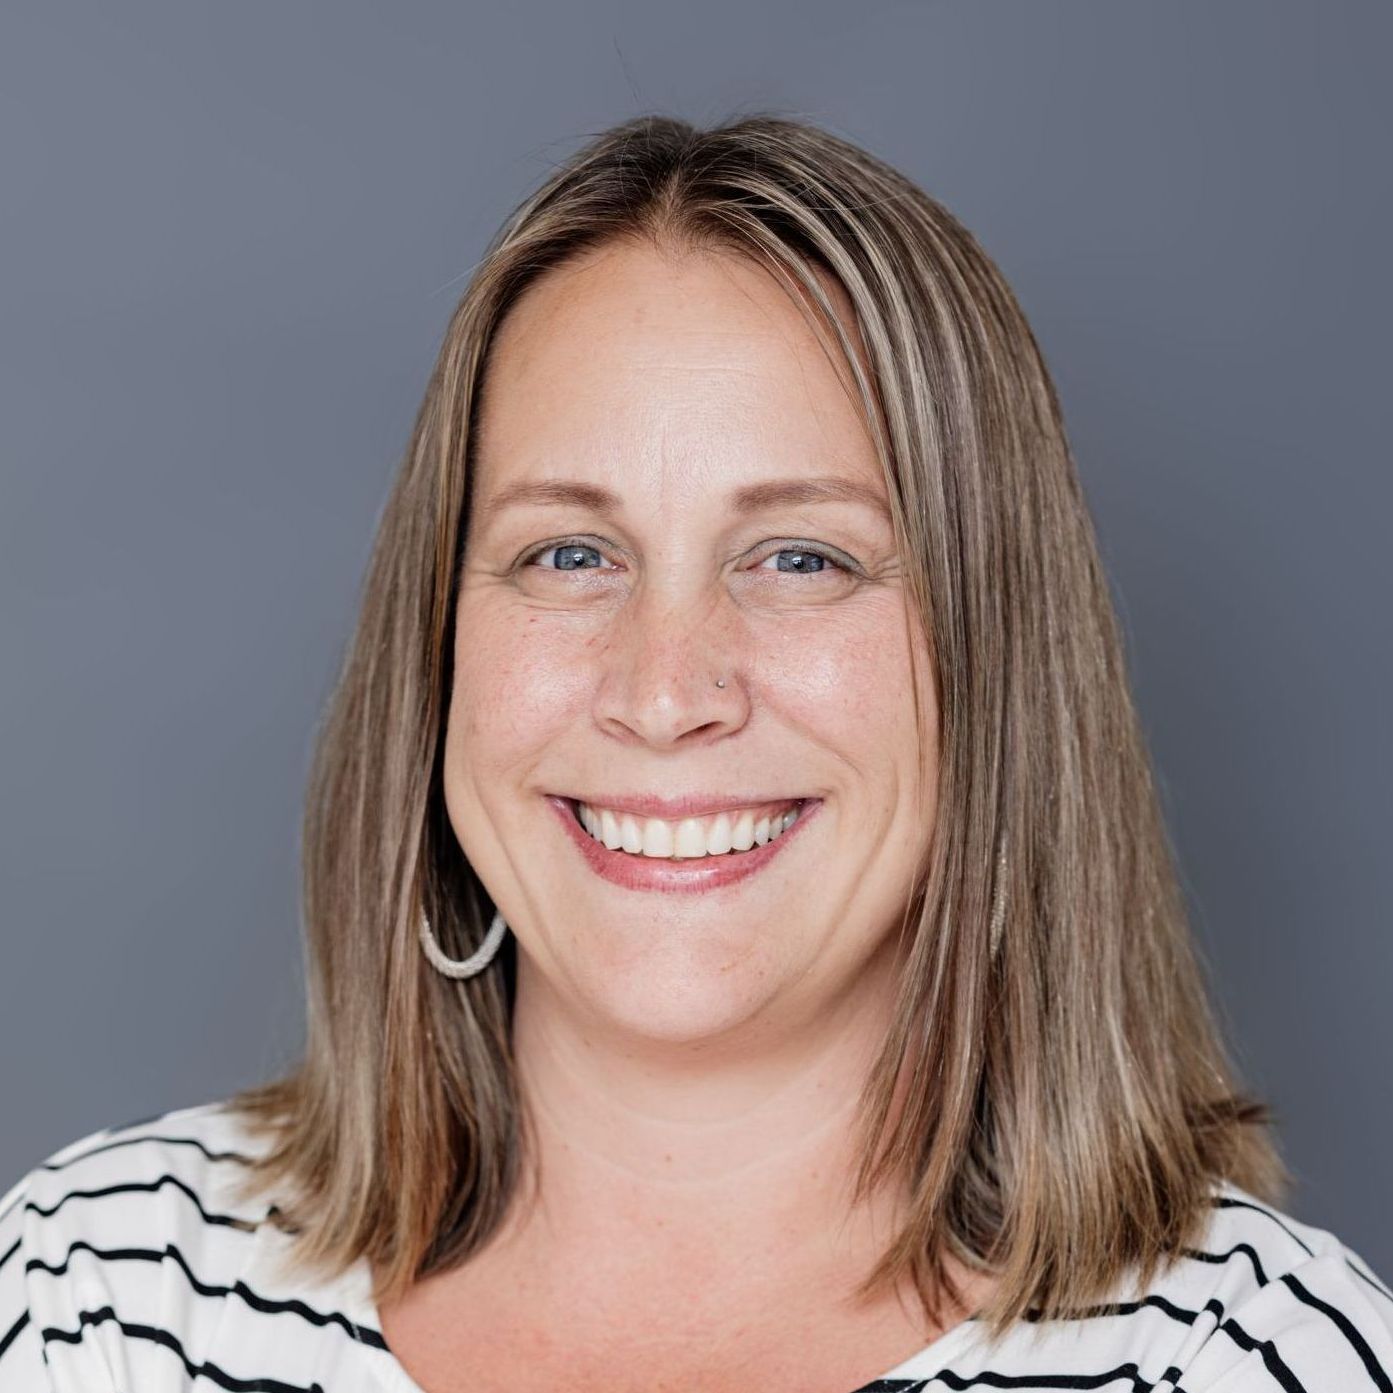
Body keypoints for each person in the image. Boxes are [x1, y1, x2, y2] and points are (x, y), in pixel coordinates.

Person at [2, 112, 1390, 1393]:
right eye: (569, 553)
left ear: (996, 664)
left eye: (801, 557)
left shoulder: (1252, 1360)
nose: (665, 694)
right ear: (436, 653)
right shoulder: (95, 1301)